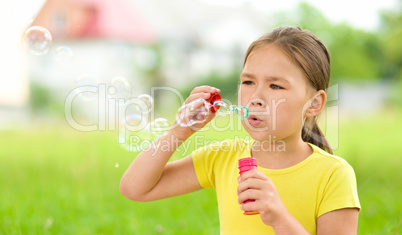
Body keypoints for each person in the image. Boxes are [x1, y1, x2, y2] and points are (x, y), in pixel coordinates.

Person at [119, 26, 361, 234]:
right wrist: (180, 131)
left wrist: (278, 216)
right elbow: (135, 188)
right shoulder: (223, 158)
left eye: (276, 86)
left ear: (314, 104)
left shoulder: (334, 175)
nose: (255, 97)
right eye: (248, 82)